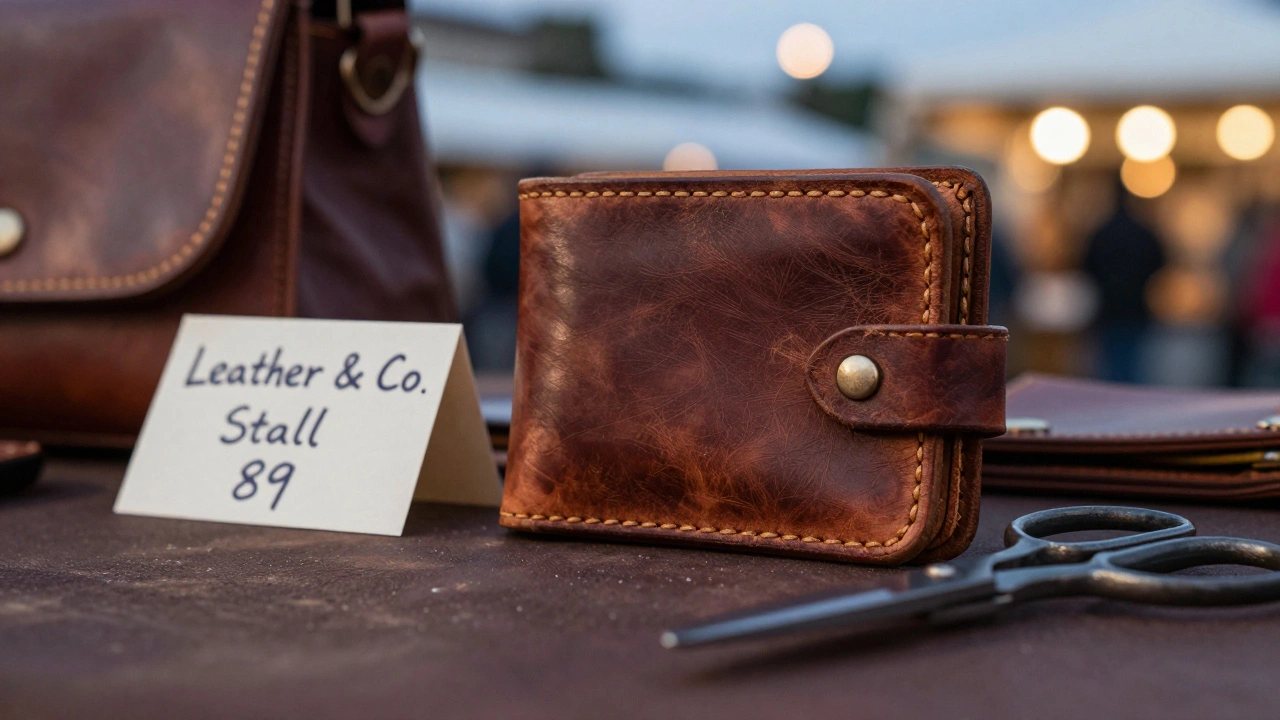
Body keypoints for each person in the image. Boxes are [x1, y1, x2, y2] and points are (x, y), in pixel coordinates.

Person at [1082, 179, 1167, 383]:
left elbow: (1086, 266)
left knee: (1110, 365)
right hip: (1136, 308)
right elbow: (1160, 262)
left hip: (1108, 309)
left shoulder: (1101, 232)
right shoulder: (1143, 231)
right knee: (1134, 365)